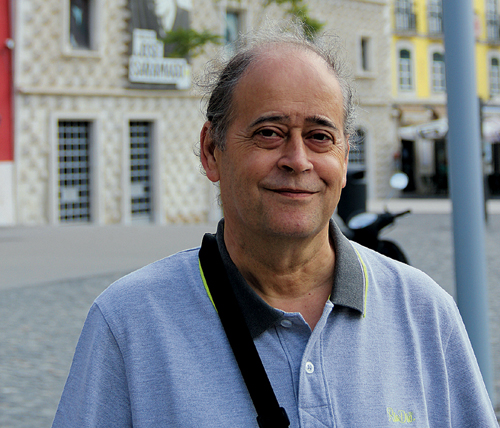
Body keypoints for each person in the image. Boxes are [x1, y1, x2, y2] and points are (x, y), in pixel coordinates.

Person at [52, 22, 499, 427]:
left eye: (320, 136)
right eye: (269, 132)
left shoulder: (424, 313)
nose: (298, 160)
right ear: (211, 151)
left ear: (344, 158)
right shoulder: (128, 325)